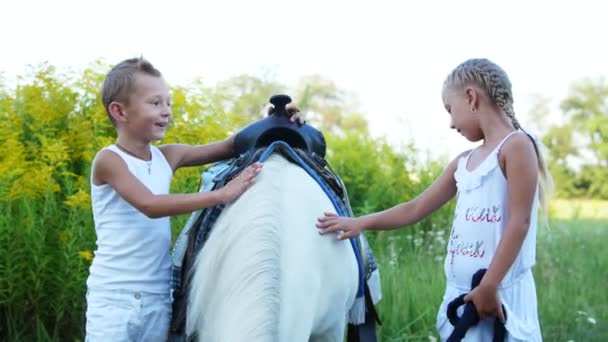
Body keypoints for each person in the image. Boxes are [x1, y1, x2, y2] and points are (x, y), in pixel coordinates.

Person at [317, 58, 553, 341]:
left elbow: (520, 222)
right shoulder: (463, 162)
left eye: (450, 109)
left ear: (470, 97)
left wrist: (489, 285)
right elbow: (415, 208)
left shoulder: (515, 146)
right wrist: (360, 222)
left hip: (497, 294)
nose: (451, 123)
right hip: (462, 295)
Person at [85, 57, 303, 341]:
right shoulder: (109, 160)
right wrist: (222, 195)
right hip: (114, 299)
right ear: (119, 111)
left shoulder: (168, 156)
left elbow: (230, 146)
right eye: (155, 103)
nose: (166, 112)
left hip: (158, 295)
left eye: (168, 103)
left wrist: (275, 119)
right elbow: (149, 205)